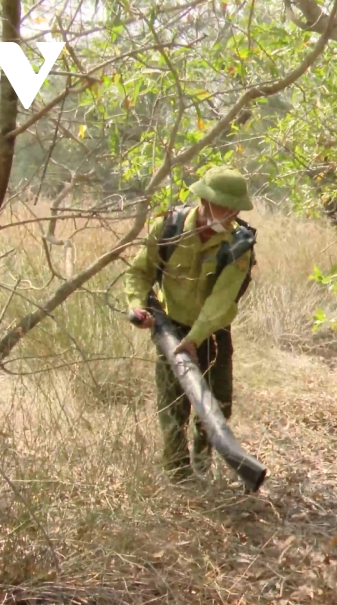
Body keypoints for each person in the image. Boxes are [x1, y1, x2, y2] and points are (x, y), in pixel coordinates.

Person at [124, 166, 255, 483]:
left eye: (234, 207)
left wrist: (196, 339)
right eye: (223, 205)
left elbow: (221, 302)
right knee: (172, 407)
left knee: (218, 406)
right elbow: (139, 272)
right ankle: (179, 475)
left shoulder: (239, 245)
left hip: (212, 332)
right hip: (171, 329)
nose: (229, 213)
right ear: (204, 201)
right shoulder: (167, 227)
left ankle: (201, 462)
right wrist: (137, 306)